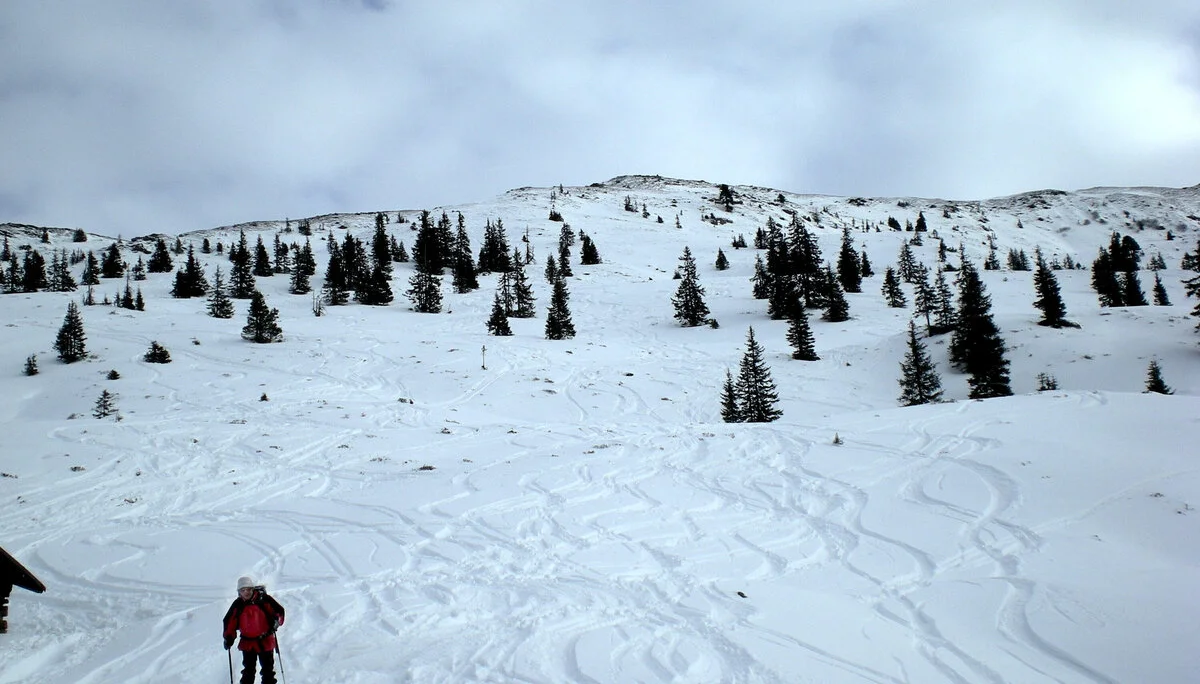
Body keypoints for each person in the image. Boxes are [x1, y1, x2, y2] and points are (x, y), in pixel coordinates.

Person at [222, 576, 285, 684]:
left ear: (253, 589)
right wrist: (229, 637)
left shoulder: (264, 599)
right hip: (248, 643)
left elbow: (279, 612)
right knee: (248, 672)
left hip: (265, 641)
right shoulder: (238, 605)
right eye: (243, 590)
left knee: (267, 671)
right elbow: (229, 621)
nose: (246, 592)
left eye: (248, 589)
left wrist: (276, 622)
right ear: (239, 592)